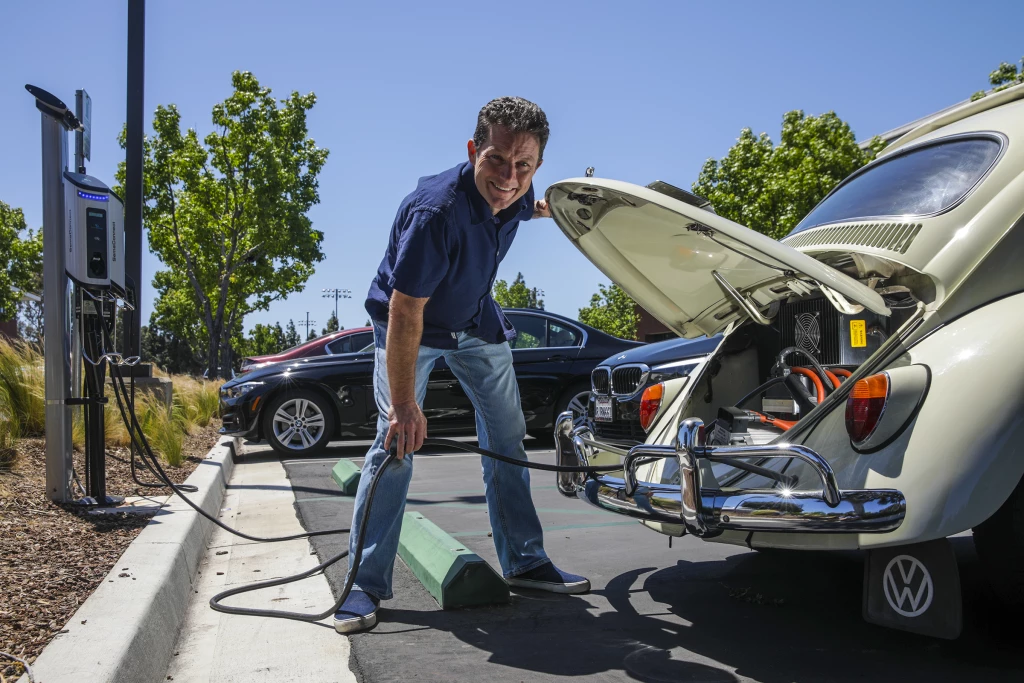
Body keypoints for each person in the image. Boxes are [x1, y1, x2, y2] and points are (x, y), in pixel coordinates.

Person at [335, 97, 589, 634]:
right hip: (411, 326)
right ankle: (363, 584)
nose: (508, 178)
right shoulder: (436, 213)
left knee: (508, 434)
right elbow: (406, 310)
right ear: (474, 149)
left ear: (537, 168)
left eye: (523, 167)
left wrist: (563, 205)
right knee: (395, 443)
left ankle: (525, 560)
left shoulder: (515, 195)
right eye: (497, 160)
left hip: (475, 323)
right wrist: (404, 405)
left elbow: (532, 207)